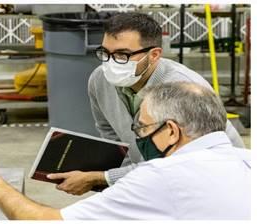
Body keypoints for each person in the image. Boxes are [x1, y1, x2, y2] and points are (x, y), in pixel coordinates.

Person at [0, 82, 250, 220]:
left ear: (172, 131)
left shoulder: (163, 175)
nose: (142, 137)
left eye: (144, 128)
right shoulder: (247, 160)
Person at [46, 12, 245, 195]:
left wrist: (102, 177)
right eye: (105, 53)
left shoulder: (183, 90)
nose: (111, 63)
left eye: (122, 55)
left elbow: (179, 164)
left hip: (208, 179)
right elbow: (111, 136)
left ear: (154, 55)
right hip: (155, 175)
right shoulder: (99, 80)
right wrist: (115, 177)